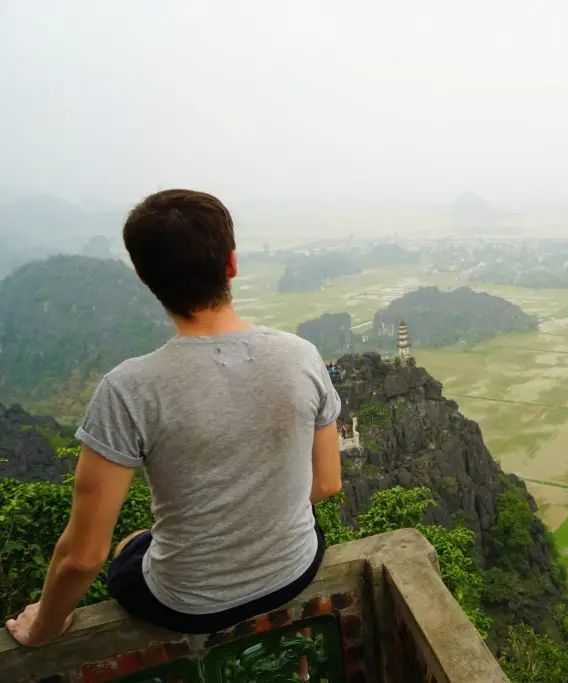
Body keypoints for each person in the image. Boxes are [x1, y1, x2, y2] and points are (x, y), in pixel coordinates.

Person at [5, 189, 343, 646]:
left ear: (144, 278)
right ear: (232, 264)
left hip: (188, 604)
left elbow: (84, 557)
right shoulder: (302, 356)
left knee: (129, 548)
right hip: (296, 569)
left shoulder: (128, 389)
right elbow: (327, 485)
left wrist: (42, 627)